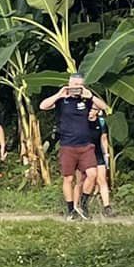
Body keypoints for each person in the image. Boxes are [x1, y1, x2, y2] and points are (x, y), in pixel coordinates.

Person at [41, 73, 110, 221]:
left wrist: (90, 96)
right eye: (74, 85)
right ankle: (71, 209)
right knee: (68, 178)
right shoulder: (62, 100)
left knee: (92, 174)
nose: (76, 88)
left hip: (86, 145)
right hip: (67, 145)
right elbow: (43, 106)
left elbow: (105, 108)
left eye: (80, 85)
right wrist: (59, 94)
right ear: (69, 84)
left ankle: (83, 204)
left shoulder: (86, 100)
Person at [84, 106, 114, 217]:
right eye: (90, 109)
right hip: (83, 153)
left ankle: (107, 207)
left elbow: (104, 138)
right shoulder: (81, 121)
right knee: (86, 179)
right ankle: (82, 204)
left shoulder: (101, 122)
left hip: (97, 152)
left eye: (94, 109)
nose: (91, 111)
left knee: (102, 179)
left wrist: (106, 153)